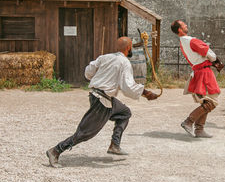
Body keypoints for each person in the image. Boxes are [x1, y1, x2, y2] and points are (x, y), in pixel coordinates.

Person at [46, 37, 158, 168]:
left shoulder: (104, 57)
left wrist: (101, 78)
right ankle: (55, 150)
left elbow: (88, 72)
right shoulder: (124, 62)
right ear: (128, 48)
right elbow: (128, 86)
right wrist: (146, 93)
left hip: (100, 96)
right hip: (102, 101)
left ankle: (114, 145)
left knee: (124, 113)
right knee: (86, 132)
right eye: (131, 46)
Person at [171, 20, 223, 138]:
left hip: (199, 71)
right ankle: (189, 121)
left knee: (206, 101)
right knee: (212, 101)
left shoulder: (183, 43)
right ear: (179, 29)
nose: (186, 25)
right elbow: (211, 55)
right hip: (204, 72)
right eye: (183, 24)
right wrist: (215, 60)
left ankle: (199, 130)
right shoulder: (191, 40)